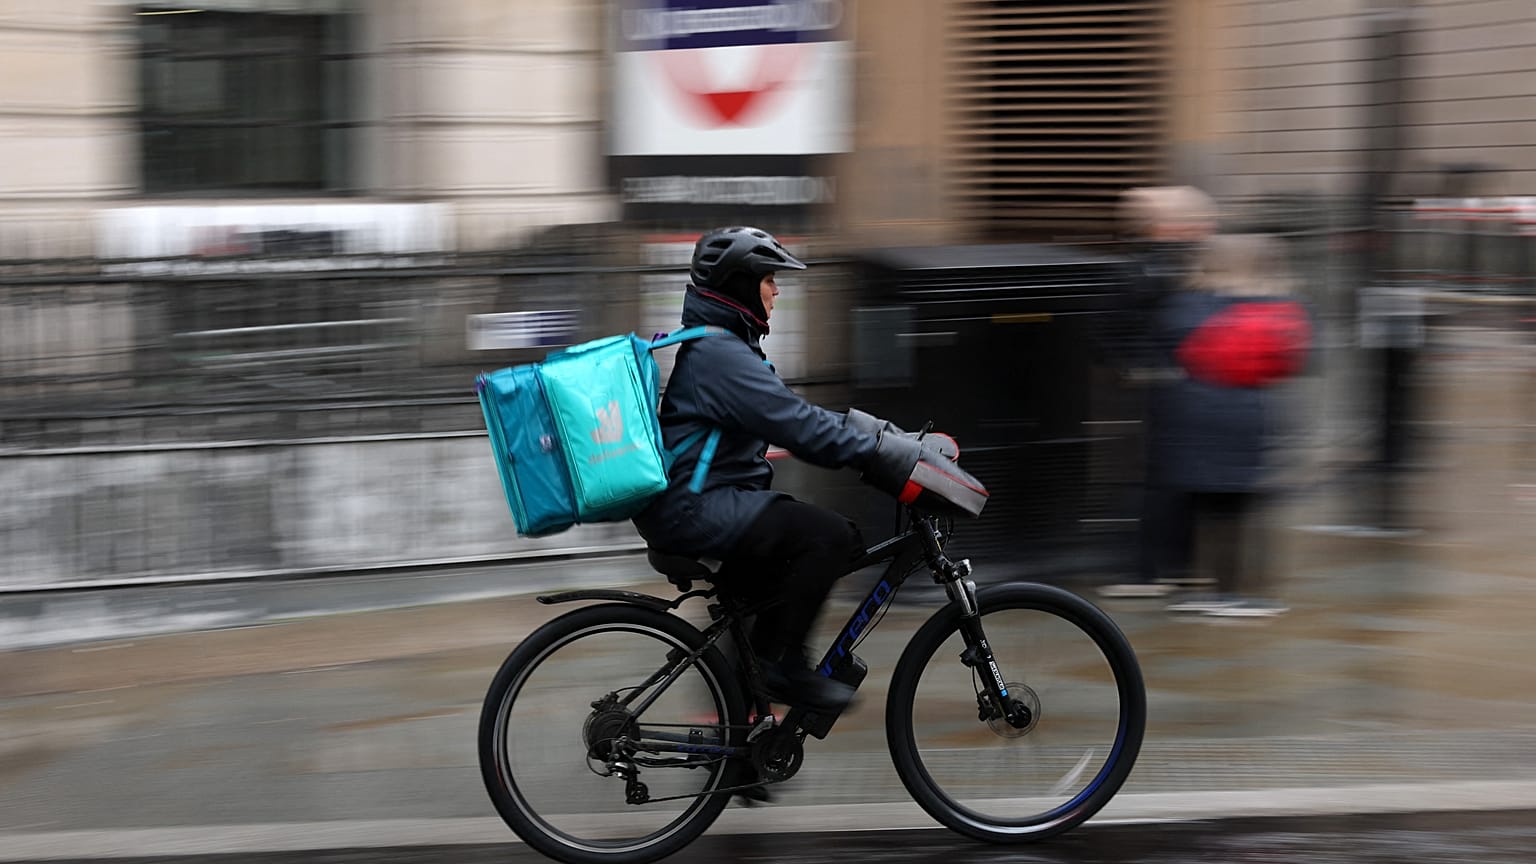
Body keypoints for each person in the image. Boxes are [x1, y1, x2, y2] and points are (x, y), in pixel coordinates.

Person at [633, 226, 956, 710]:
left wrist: (895, 439)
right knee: (827, 536)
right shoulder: (720, 356)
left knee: (762, 604)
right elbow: (800, 428)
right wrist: (883, 455)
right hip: (697, 509)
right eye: (768, 279)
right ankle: (784, 668)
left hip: (708, 504)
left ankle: (742, 749)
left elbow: (803, 415)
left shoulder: (726, 349)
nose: (777, 290)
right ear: (739, 284)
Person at [1152, 233, 1312, 617]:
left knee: (1208, 504)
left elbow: (1167, 341)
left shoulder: (1192, 302)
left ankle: (1210, 588)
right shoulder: (1278, 302)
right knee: (1240, 504)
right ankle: (1240, 592)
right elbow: (1295, 358)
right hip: (1250, 411)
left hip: (1198, 410)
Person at [1097, 186, 1218, 599]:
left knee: (1163, 482)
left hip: (1170, 388)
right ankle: (1169, 568)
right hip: (1173, 388)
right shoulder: (1168, 268)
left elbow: (1112, 333)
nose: (1203, 227)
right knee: (1166, 482)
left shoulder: (1156, 267)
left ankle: (1157, 571)